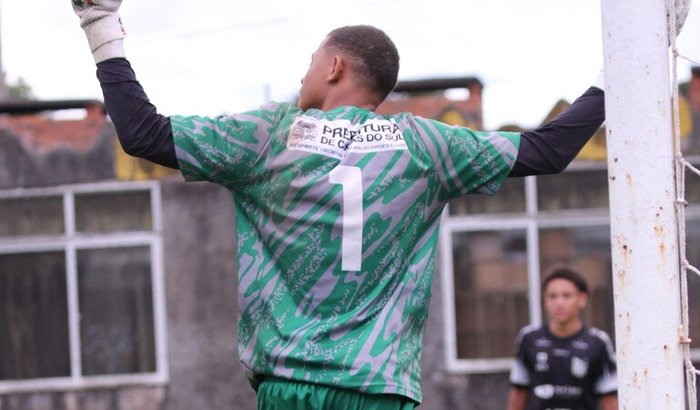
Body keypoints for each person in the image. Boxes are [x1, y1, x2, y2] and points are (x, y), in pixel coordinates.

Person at [71, 1, 606, 408]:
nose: (301, 75)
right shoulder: (427, 146)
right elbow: (550, 150)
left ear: (335, 67)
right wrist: (614, 75)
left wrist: (101, 23)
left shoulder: (269, 135)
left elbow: (142, 134)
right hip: (379, 387)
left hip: (290, 386)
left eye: (310, 63)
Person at [507, 264, 618, 410]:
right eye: (552, 296)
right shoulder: (528, 338)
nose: (559, 302)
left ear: (582, 299)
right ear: (545, 300)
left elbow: (609, 397)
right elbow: (519, 390)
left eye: (566, 296)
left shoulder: (598, 342)